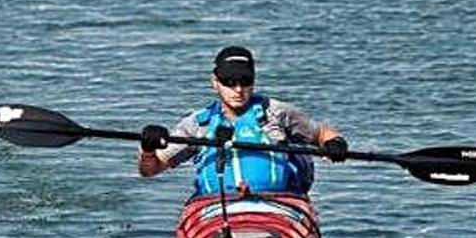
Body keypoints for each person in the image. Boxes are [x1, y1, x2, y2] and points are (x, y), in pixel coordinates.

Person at [137, 46, 348, 196]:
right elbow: (150, 170)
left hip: (277, 206)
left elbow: (321, 133)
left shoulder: (277, 113)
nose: (238, 90)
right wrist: (148, 148)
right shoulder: (197, 125)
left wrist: (335, 142)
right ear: (215, 82)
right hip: (216, 209)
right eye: (229, 82)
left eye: (245, 82)